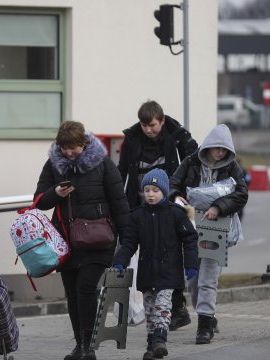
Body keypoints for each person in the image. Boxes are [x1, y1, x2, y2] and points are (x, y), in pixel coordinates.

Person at [33, 121, 130, 360]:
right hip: (67, 242)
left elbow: (119, 202)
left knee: (86, 289)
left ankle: (88, 347)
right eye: (64, 148)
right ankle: (80, 345)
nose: (68, 153)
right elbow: (38, 200)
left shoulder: (103, 164)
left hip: (99, 240)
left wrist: (127, 242)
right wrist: (55, 192)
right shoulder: (54, 165)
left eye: (73, 148)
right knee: (73, 294)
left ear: (84, 144)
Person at [118, 100, 198, 331]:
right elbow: (122, 172)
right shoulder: (132, 139)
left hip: (169, 205)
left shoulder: (176, 136)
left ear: (162, 121)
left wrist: (182, 193)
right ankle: (160, 310)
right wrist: (121, 206)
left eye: (152, 125)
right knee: (146, 255)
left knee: (170, 254)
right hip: (139, 207)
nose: (148, 130)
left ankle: (176, 308)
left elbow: (193, 163)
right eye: (144, 125)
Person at [169, 124, 248, 345]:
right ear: (209, 146)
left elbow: (241, 193)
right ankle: (208, 316)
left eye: (224, 149)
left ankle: (204, 328)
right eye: (217, 148)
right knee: (193, 279)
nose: (220, 153)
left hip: (218, 229)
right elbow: (172, 185)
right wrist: (177, 197)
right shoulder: (190, 162)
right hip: (191, 229)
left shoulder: (232, 166)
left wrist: (219, 207)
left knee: (208, 279)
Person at [112, 168, 199, 360]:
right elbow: (129, 243)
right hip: (147, 272)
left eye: (155, 190)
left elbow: (190, 239)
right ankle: (152, 346)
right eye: (147, 190)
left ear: (164, 191)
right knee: (150, 310)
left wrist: (191, 264)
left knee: (162, 306)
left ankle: (161, 339)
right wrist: (120, 261)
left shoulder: (176, 214)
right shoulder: (137, 216)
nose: (150, 194)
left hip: (169, 272)